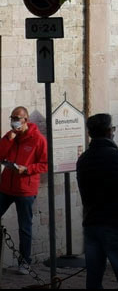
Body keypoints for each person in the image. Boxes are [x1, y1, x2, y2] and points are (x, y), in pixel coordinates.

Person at [76, 113, 118, 289]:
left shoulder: (82, 159)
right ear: (108, 132)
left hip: (91, 223)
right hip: (116, 224)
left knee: (94, 279)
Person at [0, 106, 47, 274]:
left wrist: (26, 169)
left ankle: (25, 262)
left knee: (24, 228)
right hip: (5, 187)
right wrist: (9, 138)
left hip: (25, 190)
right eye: (12, 117)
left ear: (25, 120)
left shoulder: (38, 139)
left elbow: (45, 164)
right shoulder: (10, 136)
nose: (13, 120)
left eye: (16, 118)